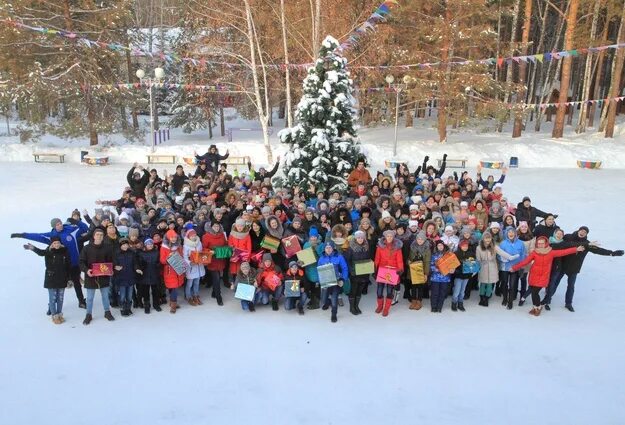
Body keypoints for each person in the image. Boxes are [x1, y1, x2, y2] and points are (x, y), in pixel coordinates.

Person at [12, 216, 89, 309]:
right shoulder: (52, 235)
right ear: (53, 226)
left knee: (77, 283)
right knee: (58, 286)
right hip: (62, 266)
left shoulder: (71, 230)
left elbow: (85, 228)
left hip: (74, 263)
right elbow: (38, 236)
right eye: (57, 224)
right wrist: (23, 235)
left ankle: (81, 301)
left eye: (60, 223)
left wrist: (76, 221)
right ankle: (51, 306)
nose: (60, 225)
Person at [549, 226, 623, 312]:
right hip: (562, 265)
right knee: (555, 283)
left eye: (585, 232)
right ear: (578, 230)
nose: (583, 233)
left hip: (574, 268)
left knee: (571, 286)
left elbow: (599, 250)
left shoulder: (587, 243)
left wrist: (612, 253)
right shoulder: (568, 237)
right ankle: (548, 298)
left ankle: (568, 303)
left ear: (586, 234)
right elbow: (561, 243)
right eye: (582, 230)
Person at [511, 236, 584, 316]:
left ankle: (537, 307)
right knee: (534, 293)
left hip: (543, 277)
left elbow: (563, 252)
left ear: (546, 243)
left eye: (542, 243)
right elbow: (525, 262)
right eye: (539, 244)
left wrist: (576, 249)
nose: (540, 245)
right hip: (534, 275)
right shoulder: (535, 252)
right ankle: (536, 307)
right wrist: (514, 267)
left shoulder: (551, 252)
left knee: (535, 293)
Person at [23, 236, 71, 324]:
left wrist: (69, 279)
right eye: (54, 243)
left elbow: (68, 266)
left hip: (62, 278)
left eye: (58, 243)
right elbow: (40, 253)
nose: (56, 245)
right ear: (52, 244)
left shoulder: (65, 251)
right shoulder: (48, 251)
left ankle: (59, 314)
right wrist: (32, 248)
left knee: (60, 298)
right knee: (52, 298)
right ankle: (54, 315)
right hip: (51, 278)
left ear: (60, 243)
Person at [79, 228, 115, 325]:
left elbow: (111, 261)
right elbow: (81, 262)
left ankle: (107, 312)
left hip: (104, 277)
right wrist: (87, 270)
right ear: (94, 236)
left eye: (101, 235)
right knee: (90, 298)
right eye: (97, 234)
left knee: (105, 297)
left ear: (103, 237)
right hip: (91, 277)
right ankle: (88, 314)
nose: (99, 236)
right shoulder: (86, 248)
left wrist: (111, 270)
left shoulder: (108, 248)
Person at [475, 231, 518, 307]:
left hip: (492, 267)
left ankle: (486, 298)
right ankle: (482, 298)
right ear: (483, 239)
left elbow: (502, 253)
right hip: (483, 267)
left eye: (489, 238)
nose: (488, 240)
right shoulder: (479, 248)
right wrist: (477, 266)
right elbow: (478, 259)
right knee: (483, 283)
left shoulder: (494, 246)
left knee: (490, 284)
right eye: (486, 238)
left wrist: (510, 257)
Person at [373, 230, 404, 317]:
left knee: (390, 291)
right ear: (385, 237)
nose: (389, 238)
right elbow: (377, 258)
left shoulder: (397, 247)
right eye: (388, 236)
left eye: (391, 236)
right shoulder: (380, 247)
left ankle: (386, 309)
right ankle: (380, 306)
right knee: (379, 291)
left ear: (393, 237)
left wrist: (400, 269)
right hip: (382, 270)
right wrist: (375, 269)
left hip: (392, 271)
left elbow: (399, 260)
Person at [317, 242, 349, 322]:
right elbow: (319, 270)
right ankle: (327, 303)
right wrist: (319, 280)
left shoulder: (339, 257)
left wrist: (342, 279)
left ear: (333, 248)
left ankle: (334, 313)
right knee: (323, 300)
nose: (328, 249)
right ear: (324, 249)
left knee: (334, 299)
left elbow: (345, 269)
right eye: (326, 248)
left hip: (336, 281)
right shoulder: (321, 258)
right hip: (326, 282)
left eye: (330, 247)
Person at [497, 226, 527, 310]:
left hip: (515, 268)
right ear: (506, 233)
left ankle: (510, 302)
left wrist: (520, 266)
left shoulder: (521, 243)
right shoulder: (503, 243)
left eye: (512, 232)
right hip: (505, 267)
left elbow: (523, 255)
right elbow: (499, 255)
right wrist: (502, 259)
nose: (511, 234)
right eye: (509, 232)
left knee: (512, 285)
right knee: (504, 283)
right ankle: (505, 299)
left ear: (515, 233)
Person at [345, 230, 371, 315]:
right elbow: (347, 261)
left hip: (364, 273)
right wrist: (351, 270)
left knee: (360, 290)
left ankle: (356, 305)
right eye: (358, 238)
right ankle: (352, 307)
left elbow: (368, 259)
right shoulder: (351, 248)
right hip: (354, 273)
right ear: (355, 238)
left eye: (362, 237)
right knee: (354, 290)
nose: (360, 239)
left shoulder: (366, 247)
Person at [159, 229, 185, 313]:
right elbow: (162, 260)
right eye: (172, 237)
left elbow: (181, 255)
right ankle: (173, 304)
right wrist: (169, 257)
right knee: (174, 287)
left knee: (174, 286)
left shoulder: (178, 246)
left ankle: (172, 301)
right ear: (168, 238)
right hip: (169, 270)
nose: (174, 239)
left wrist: (179, 258)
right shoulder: (164, 247)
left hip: (178, 268)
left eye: (175, 237)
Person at [136, 238, 162, 313]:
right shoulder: (141, 253)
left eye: (151, 244)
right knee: (145, 292)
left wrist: (158, 265)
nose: (150, 245)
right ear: (145, 245)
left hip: (154, 274)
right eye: (148, 244)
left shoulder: (157, 252)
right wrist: (141, 266)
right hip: (145, 275)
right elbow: (138, 263)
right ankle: (147, 305)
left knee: (155, 291)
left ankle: (156, 304)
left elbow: (160, 261)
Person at [407, 231, 431, 310]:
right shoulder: (412, 247)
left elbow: (427, 262)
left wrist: (426, 274)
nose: (420, 240)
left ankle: (419, 301)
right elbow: (409, 258)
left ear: (424, 240)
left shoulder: (427, 249)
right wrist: (409, 262)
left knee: (420, 287)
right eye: (418, 239)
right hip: (413, 270)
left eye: (421, 239)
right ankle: (413, 301)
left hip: (421, 270)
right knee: (413, 286)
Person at [429, 240, 454, 312]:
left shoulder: (448, 255)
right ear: (436, 247)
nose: (440, 247)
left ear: (444, 246)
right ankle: (433, 307)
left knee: (442, 293)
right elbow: (431, 266)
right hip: (435, 278)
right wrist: (439, 270)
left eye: (441, 245)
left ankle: (439, 307)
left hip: (445, 278)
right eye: (438, 245)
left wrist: (452, 269)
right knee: (435, 293)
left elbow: (452, 265)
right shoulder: (434, 255)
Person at [183, 229, 205, 306]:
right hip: (191, 267)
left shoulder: (199, 243)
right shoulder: (186, 246)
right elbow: (184, 257)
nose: (194, 237)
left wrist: (203, 258)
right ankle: (188, 296)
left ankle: (195, 295)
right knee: (190, 283)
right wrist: (189, 262)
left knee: (197, 282)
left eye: (195, 235)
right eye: (192, 236)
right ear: (189, 237)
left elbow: (201, 252)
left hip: (199, 266)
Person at [452, 239, 475, 312]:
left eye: (466, 246)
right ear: (460, 246)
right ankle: (454, 303)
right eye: (463, 246)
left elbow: (473, 264)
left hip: (466, 275)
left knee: (462, 291)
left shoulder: (471, 254)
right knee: (457, 290)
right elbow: (453, 265)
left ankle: (460, 303)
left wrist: (471, 271)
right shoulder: (456, 253)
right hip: (458, 275)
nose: (465, 247)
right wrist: (457, 270)